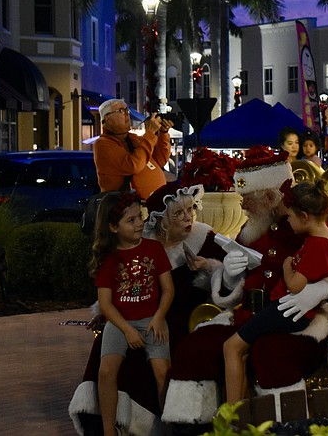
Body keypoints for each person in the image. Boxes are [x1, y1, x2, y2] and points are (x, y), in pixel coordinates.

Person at [161, 146, 328, 427]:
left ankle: (284, 428)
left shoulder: (316, 220)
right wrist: (228, 276)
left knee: (270, 353)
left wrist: (323, 290)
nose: (241, 205)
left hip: (300, 321)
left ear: (268, 197)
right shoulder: (254, 226)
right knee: (196, 347)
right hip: (251, 316)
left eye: (246, 199)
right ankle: (199, 428)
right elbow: (244, 276)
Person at [70, 183, 248, 435]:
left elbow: (229, 285)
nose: (188, 218)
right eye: (178, 214)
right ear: (161, 220)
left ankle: (166, 425)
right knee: (104, 350)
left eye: (191, 210)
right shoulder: (141, 244)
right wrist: (103, 312)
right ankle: (106, 424)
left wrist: (210, 267)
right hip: (136, 317)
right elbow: (118, 287)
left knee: (160, 359)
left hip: (185, 320)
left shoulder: (204, 238)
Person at [223, 179, 328, 402]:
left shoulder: (313, 247)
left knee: (231, 347)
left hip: (286, 310)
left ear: (304, 217)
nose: (286, 220)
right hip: (277, 309)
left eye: (290, 216)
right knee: (238, 347)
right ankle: (241, 409)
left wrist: (287, 267)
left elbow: (295, 285)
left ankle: (230, 416)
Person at [90, 192, 174, 436]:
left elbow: (168, 290)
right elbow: (105, 304)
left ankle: (168, 426)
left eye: (140, 217)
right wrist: (126, 330)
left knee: (162, 372)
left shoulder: (154, 249)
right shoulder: (109, 258)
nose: (139, 223)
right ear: (113, 227)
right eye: (131, 220)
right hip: (119, 322)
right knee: (106, 371)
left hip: (152, 319)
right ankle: (108, 430)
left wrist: (158, 318)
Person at [93, 99, 174, 200]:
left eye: (127, 110)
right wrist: (149, 134)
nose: (127, 114)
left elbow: (160, 160)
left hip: (153, 203)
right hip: (128, 208)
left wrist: (163, 134)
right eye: (121, 111)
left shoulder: (134, 138)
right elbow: (133, 165)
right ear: (106, 119)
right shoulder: (103, 144)